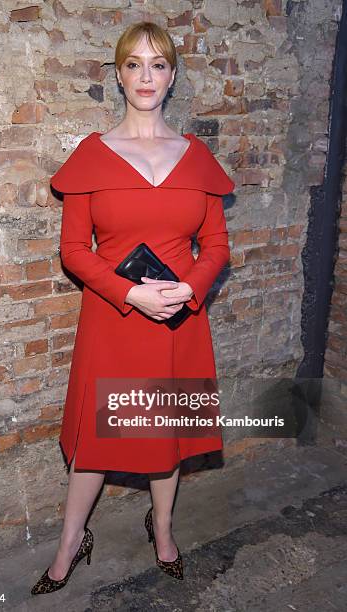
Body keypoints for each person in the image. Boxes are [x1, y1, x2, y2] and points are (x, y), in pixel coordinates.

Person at [31, 21, 235, 595]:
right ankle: (71, 542)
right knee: (100, 437)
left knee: (165, 431)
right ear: (117, 74)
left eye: (159, 64)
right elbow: (73, 251)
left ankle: (163, 528)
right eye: (134, 64)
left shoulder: (197, 157)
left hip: (179, 319)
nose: (147, 76)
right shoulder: (93, 157)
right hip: (114, 316)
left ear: (172, 77)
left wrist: (190, 289)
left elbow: (216, 246)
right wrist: (130, 293)